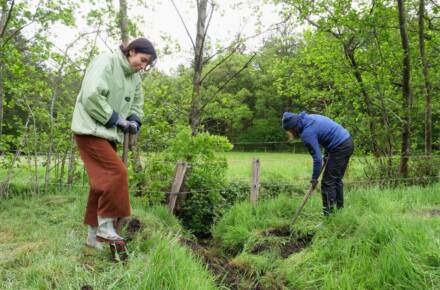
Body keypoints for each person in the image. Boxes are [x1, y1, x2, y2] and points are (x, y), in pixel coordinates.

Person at [71, 38, 157, 250]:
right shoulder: (106, 62)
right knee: (116, 173)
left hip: (108, 135)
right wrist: (117, 119)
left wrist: (135, 121)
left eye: (147, 64)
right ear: (132, 51)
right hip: (90, 129)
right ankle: (106, 226)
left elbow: (137, 103)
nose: (143, 66)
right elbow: (91, 95)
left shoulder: (135, 78)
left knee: (100, 185)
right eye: (142, 60)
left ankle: (92, 237)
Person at [282, 111, 354, 216]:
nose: (290, 134)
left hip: (340, 147)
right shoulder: (308, 119)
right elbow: (326, 134)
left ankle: (329, 216)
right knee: (336, 180)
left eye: (289, 131)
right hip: (347, 141)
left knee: (327, 183)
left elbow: (317, 159)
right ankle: (339, 212)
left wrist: (314, 179)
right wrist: (327, 153)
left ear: (294, 128)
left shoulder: (307, 133)